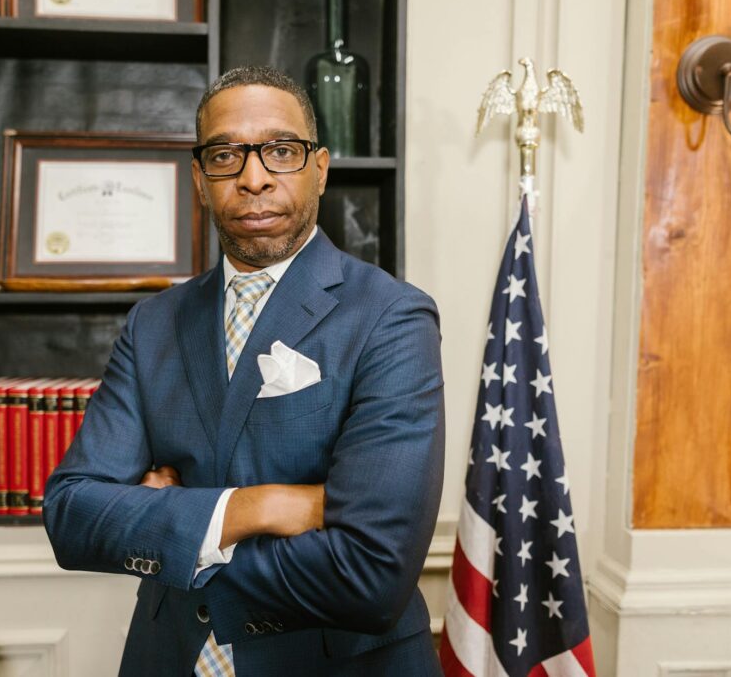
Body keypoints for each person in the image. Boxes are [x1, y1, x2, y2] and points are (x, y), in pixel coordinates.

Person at [42, 66, 445, 676]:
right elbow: (72, 515)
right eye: (227, 155)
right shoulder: (154, 323)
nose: (254, 178)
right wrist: (259, 508)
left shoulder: (391, 316)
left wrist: (177, 532)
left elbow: (373, 572)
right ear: (201, 179)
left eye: (281, 151)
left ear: (320, 167)